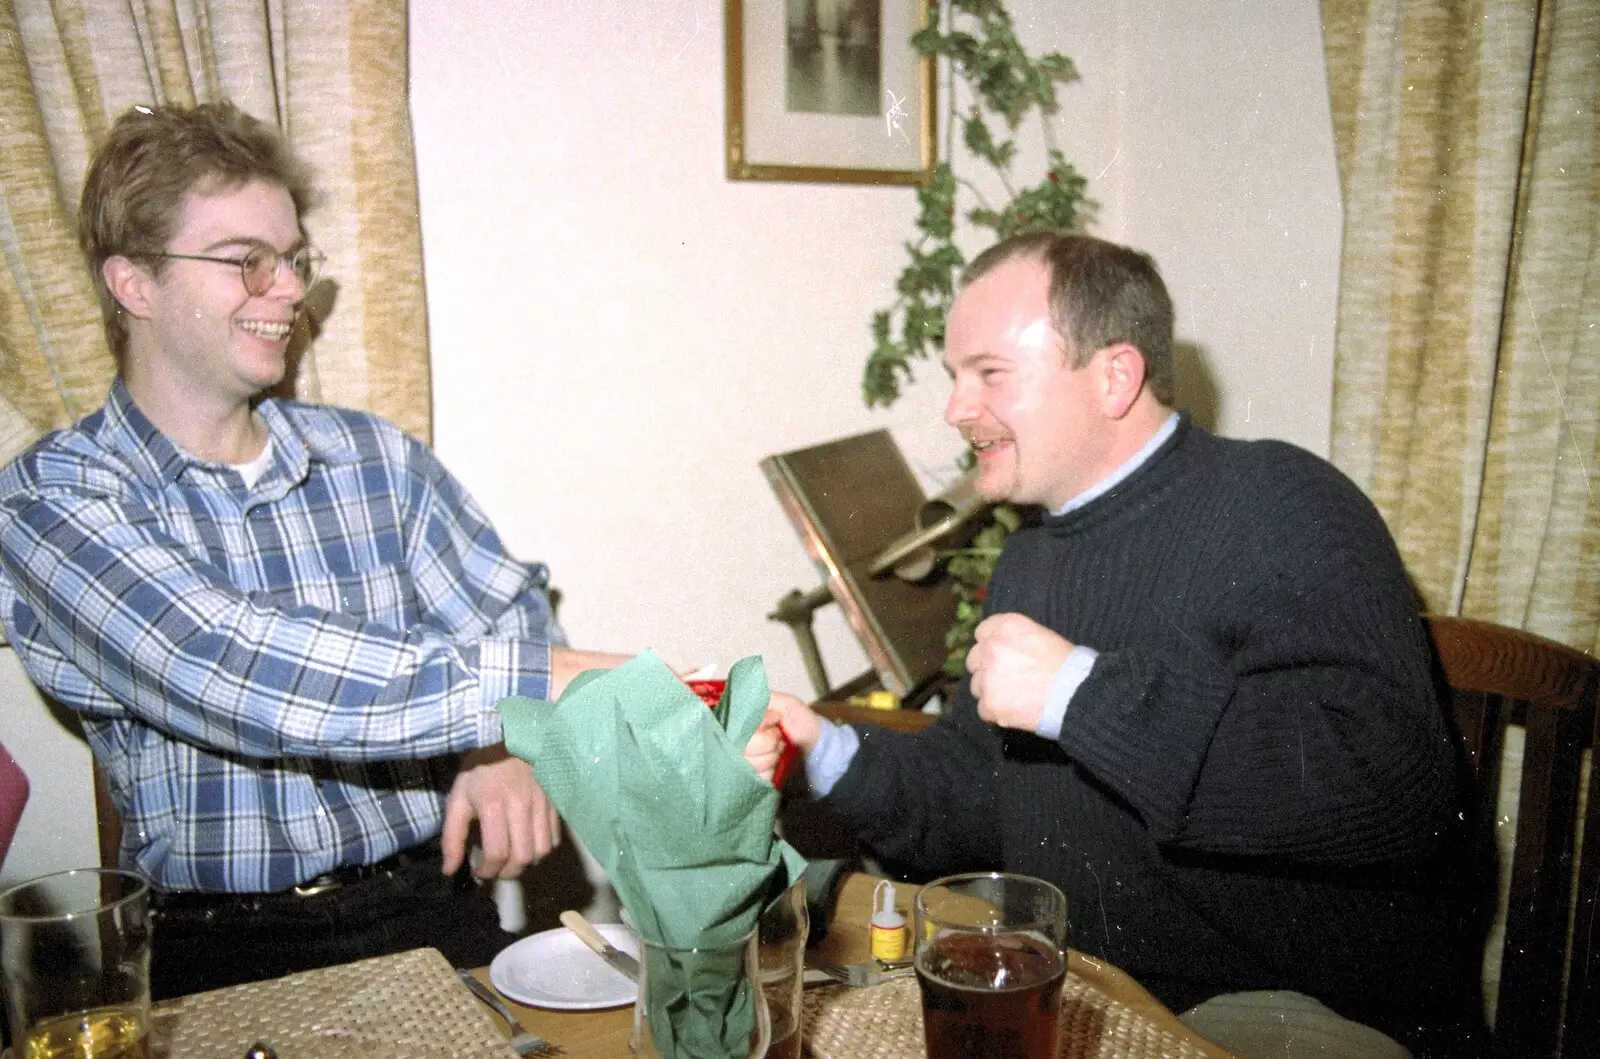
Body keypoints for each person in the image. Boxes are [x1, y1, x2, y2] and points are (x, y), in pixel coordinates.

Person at [0, 101, 784, 1000]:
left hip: (427, 906)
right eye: (245, 261)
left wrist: (500, 752)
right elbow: (237, 665)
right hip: (220, 944)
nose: (289, 291)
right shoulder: (51, 498)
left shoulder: (373, 456)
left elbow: (503, 599)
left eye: (294, 259)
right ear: (133, 283)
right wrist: (559, 684)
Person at [776, 232, 1483, 1055]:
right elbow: (978, 795)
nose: (956, 409)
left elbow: (1397, 791)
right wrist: (822, 748)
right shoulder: (1031, 556)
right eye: (954, 378)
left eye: (989, 374)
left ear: (1113, 375)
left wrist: (1080, 693)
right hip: (1090, 990)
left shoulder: (1282, 504)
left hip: (1282, 1009)